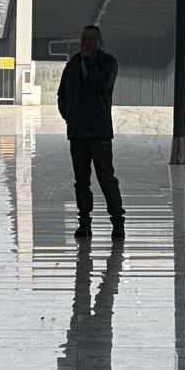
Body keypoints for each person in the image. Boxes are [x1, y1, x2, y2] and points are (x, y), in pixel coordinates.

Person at [57, 23, 124, 242]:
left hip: (99, 131)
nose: (86, 43)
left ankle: (117, 221)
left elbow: (102, 85)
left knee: (106, 178)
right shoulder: (72, 64)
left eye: (91, 39)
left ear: (99, 42)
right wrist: (69, 115)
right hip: (78, 132)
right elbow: (62, 94)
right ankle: (84, 223)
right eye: (84, 39)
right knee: (81, 180)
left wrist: (89, 62)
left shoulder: (108, 62)